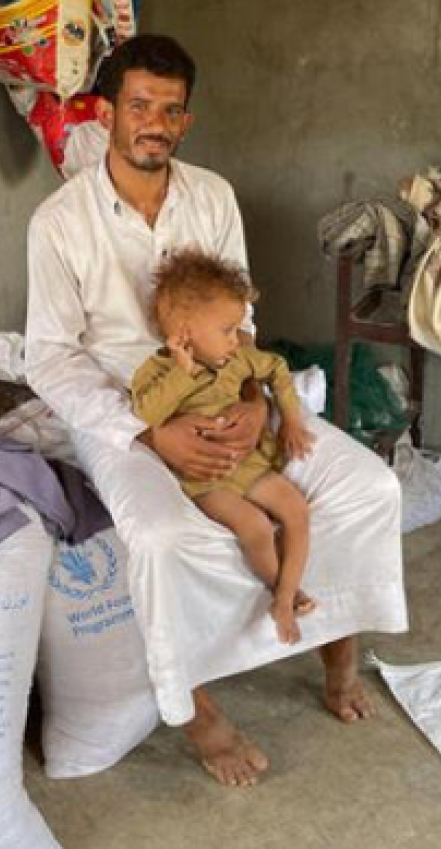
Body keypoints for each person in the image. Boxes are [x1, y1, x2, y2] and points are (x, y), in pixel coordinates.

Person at [25, 33, 407, 788]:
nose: (155, 124)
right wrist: (150, 433)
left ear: (187, 120)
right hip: (125, 409)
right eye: (139, 106)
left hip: (232, 394)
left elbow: (243, 323)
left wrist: (256, 402)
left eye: (170, 110)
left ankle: (337, 646)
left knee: (371, 488)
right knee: (162, 539)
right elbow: (50, 357)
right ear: (106, 114)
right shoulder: (60, 221)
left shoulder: (213, 196)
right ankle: (197, 713)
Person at [131, 248, 316, 644]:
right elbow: (148, 412)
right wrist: (183, 372)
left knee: (297, 509)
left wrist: (291, 419)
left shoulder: (237, 360)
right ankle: (282, 593)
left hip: (247, 463)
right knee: (255, 526)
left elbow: (277, 368)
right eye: (228, 330)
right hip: (205, 479)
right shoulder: (156, 372)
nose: (237, 339)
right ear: (184, 334)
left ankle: (285, 596)